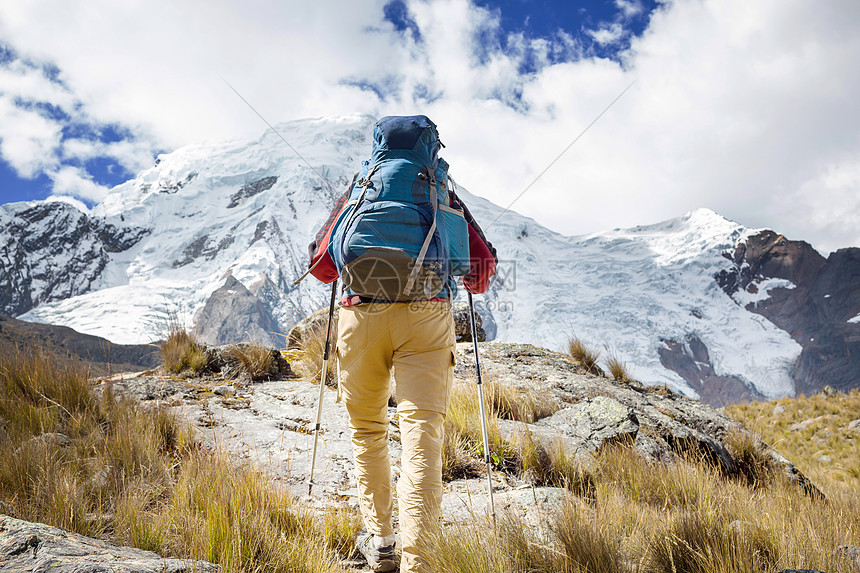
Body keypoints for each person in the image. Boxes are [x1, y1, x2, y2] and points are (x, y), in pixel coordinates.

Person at [306, 116, 497, 572]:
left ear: (378, 147)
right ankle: (419, 561)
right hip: (426, 318)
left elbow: (320, 264)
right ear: (431, 148)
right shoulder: (439, 193)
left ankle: (383, 541)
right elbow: (482, 271)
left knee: (368, 431)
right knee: (422, 438)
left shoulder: (360, 191)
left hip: (360, 316)